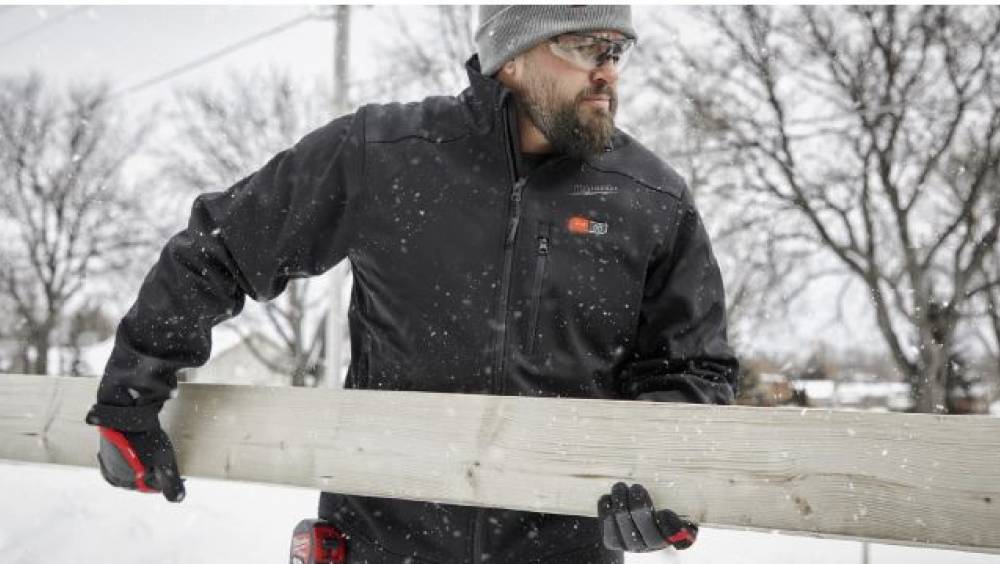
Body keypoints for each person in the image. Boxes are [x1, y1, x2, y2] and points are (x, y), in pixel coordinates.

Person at [84, 5, 739, 563]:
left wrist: (667, 483)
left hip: (562, 550)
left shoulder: (650, 198)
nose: (607, 70)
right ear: (509, 56)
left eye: (617, 49)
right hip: (381, 543)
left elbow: (693, 371)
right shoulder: (386, 155)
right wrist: (130, 397)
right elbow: (221, 248)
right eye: (583, 45)